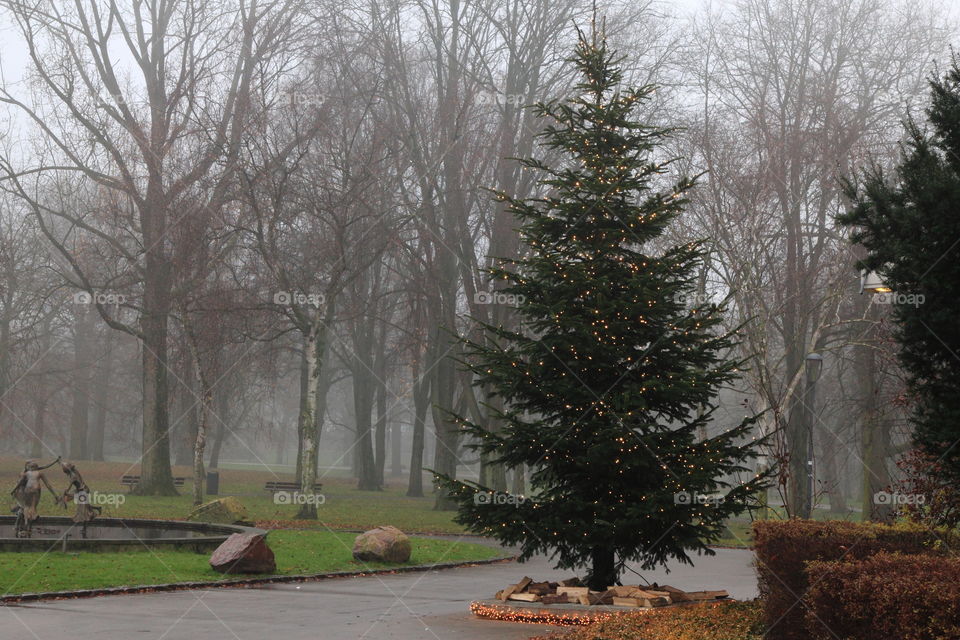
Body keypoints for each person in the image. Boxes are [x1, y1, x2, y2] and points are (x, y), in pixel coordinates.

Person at [10, 458, 62, 537]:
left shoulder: (30, 472)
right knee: (26, 509)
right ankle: (23, 526)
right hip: (22, 492)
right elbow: (20, 483)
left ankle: (24, 526)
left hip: (26, 491)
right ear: (27, 466)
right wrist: (14, 491)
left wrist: (55, 461)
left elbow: (45, 466)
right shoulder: (25, 472)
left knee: (27, 508)